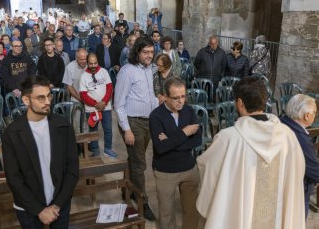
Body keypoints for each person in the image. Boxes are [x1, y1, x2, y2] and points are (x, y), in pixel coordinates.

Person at [196, 77, 306, 229]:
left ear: (239, 103)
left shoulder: (228, 138)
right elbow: (298, 172)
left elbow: (208, 169)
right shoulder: (288, 136)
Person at [2, 76, 79, 228]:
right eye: (41, 98)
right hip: (28, 207)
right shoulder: (12, 133)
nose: (48, 102)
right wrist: (39, 210)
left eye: (49, 96)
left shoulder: (63, 126)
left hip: (60, 204)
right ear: (26, 100)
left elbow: (72, 170)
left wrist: (57, 205)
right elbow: (14, 178)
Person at [114, 37, 158, 221]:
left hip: (148, 121)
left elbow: (147, 97)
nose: (149, 56)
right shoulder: (127, 71)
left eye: (151, 52)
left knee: (134, 159)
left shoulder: (148, 70)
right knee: (140, 163)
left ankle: (130, 190)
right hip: (133, 123)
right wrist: (127, 130)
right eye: (145, 52)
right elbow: (119, 104)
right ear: (137, 52)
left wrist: (158, 102)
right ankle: (143, 202)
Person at [149, 78, 201, 229]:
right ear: (165, 96)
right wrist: (185, 132)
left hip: (189, 168)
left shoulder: (189, 110)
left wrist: (171, 140)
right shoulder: (156, 116)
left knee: (191, 210)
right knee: (166, 214)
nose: (181, 101)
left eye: (183, 96)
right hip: (166, 171)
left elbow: (197, 140)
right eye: (176, 97)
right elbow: (161, 148)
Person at [280, 94, 319, 217]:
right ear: (307, 116)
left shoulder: (281, 122)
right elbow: (316, 174)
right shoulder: (301, 138)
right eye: (315, 112)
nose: (315, 115)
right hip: (296, 190)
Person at [79, 53, 117, 158]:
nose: (93, 65)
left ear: (97, 62)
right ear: (87, 63)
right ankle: (95, 151)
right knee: (93, 131)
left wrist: (104, 102)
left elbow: (110, 88)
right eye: (90, 63)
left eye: (95, 63)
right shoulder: (84, 76)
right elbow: (83, 95)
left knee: (108, 129)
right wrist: (96, 104)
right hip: (91, 109)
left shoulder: (104, 72)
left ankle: (108, 149)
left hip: (106, 107)